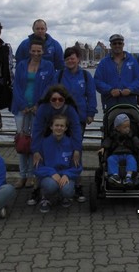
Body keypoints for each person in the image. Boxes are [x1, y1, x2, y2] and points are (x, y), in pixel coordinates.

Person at [54, 46, 97, 202]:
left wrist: (91, 113)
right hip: (61, 119)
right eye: (67, 59)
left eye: (72, 58)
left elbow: (91, 95)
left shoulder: (85, 76)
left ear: (78, 59)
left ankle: (77, 183)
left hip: (79, 119)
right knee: (61, 149)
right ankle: (61, 181)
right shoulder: (59, 75)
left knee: (76, 149)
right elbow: (52, 94)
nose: (70, 61)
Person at [11, 37, 55, 189]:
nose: (36, 53)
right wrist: (23, 104)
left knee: (35, 143)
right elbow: (16, 86)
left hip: (39, 109)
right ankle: (22, 175)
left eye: (39, 51)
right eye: (33, 51)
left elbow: (50, 87)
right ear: (29, 51)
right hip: (21, 109)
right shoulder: (21, 65)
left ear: (43, 51)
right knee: (22, 142)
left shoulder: (49, 66)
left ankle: (32, 174)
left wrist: (39, 104)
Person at [34, 114, 83, 213]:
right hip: (49, 177)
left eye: (62, 126)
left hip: (66, 175)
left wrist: (67, 174)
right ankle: (45, 197)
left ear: (66, 128)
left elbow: (77, 167)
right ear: (51, 127)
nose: (59, 128)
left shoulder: (73, 144)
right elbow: (37, 167)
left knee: (67, 190)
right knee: (51, 185)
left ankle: (64, 196)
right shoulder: (42, 143)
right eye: (56, 125)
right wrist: (51, 173)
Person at [94, 34, 139, 110]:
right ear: (110, 45)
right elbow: (97, 81)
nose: (117, 45)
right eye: (114, 43)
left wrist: (130, 89)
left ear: (123, 44)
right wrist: (110, 90)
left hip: (129, 103)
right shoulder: (103, 63)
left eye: (119, 43)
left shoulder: (132, 61)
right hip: (110, 103)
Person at [99, 113, 139, 186]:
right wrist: (103, 148)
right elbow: (107, 142)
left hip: (128, 153)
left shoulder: (131, 136)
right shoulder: (113, 136)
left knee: (132, 160)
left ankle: (129, 176)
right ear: (117, 128)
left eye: (128, 126)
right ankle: (115, 175)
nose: (127, 129)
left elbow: (137, 142)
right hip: (115, 153)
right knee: (110, 159)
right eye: (125, 127)